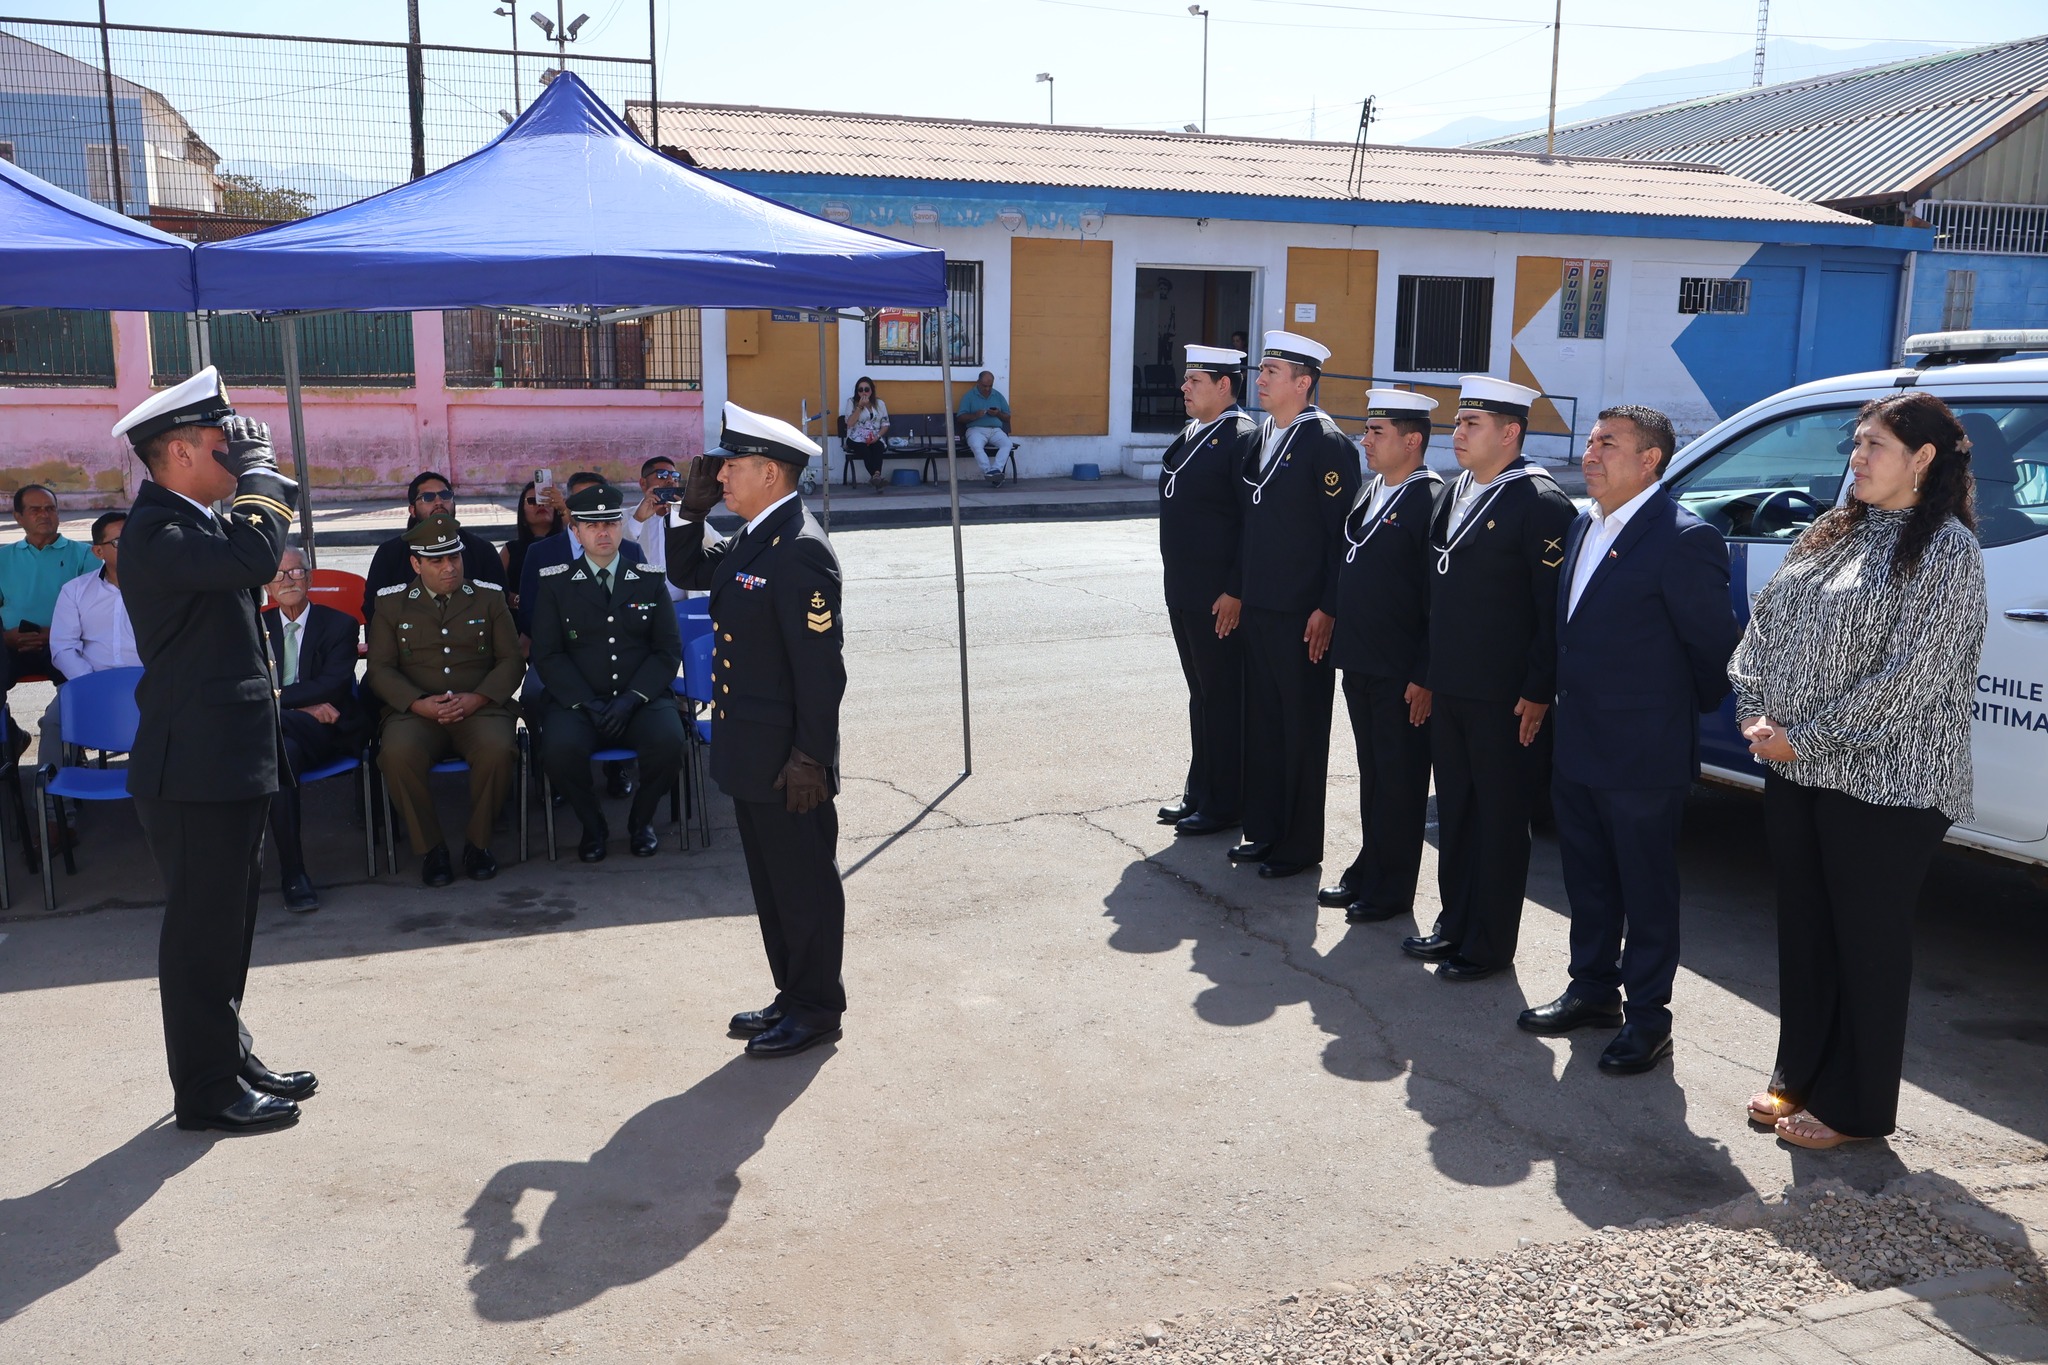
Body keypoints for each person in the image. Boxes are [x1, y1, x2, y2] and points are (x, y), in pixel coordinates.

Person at [1730, 391, 1985, 1150]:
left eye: (1875, 444)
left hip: (1892, 785)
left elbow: (1916, 677)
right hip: (1800, 772)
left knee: (1864, 943)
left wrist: (1802, 737)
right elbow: (1762, 629)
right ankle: (1798, 1075)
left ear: (1924, 458)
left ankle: (1857, 1105)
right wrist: (1754, 711)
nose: (1858, 458)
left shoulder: (1947, 549)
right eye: (1858, 444)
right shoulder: (1830, 531)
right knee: (1807, 934)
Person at [113, 365, 314, 1135]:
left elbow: (248, 547)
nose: (233, 450)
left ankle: (229, 1055)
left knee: (229, 923)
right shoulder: (158, 531)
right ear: (179, 451)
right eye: (220, 439)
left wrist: (256, 477)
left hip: (226, 757)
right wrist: (260, 472)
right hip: (192, 766)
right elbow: (256, 558)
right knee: (200, 933)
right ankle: (203, 1088)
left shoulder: (192, 520)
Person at [1518, 406, 1739, 1074]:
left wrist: (1669, 713)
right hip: (1579, 739)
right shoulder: (1584, 523)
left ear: (1651, 460)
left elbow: (1713, 648)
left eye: (1607, 443)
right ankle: (1592, 991)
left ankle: (1648, 1019)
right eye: (1589, 440)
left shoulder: (1683, 538)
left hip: (1645, 750)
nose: (1590, 451)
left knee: (1644, 890)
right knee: (1586, 878)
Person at [667, 401, 847, 1059]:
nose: (720, 477)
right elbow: (693, 571)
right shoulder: (755, 535)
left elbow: (822, 674)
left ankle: (818, 1006)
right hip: (751, 751)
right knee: (773, 886)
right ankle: (791, 992)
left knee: (803, 885)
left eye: (733, 466)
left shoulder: (799, 551)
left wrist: (812, 758)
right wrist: (689, 516)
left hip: (785, 761)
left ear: (771, 473)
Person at [1402, 375, 1576, 981]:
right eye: (1457, 423)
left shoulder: (1540, 502)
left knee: (1500, 821)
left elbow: (1549, 608)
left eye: (1471, 425)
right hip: (1450, 686)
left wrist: (1536, 690)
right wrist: (1425, 673)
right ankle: (1455, 922)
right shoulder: (1454, 493)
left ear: (1510, 433)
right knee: (1456, 811)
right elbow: (1433, 599)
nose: (1458, 433)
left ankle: (1488, 943)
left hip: (1504, 697)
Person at [1228, 331, 1359, 880]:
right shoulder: (1262, 435)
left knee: (1300, 729)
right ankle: (1265, 828)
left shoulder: (1327, 444)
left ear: (1303, 383)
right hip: (1260, 605)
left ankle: (1300, 844)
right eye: (1261, 370)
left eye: (1271, 372)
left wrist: (1328, 607)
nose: (1259, 380)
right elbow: (1249, 525)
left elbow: (1339, 538)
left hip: (1302, 614)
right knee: (1262, 723)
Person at [1322, 390, 1444, 922]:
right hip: (1363, 660)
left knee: (1400, 780)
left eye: (1377, 432)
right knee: (1374, 774)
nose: (1364, 441)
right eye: (1366, 430)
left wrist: (1425, 673)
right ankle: (1371, 866)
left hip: (1401, 669)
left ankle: (1392, 888)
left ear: (1411, 440)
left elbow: (1438, 600)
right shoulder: (1376, 489)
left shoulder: (1430, 499)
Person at [368, 513, 523, 888]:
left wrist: (479, 697)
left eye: (454, 557)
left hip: (479, 706)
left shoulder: (488, 597)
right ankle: (432, 848)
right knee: (396, 754)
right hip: (417, 711)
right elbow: (380, 670)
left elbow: (511, 660)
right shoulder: (392, 606)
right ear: (416, 564)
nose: (449, 567)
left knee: (500, 749)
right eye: (436, 561)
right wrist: (418, 703)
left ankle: (477, 843)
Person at [533, 482, 685, 861]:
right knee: (557, 749)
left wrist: (632, 699)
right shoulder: (555, 584)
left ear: (620, 526)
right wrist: (586, 703)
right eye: (592, 524)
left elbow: (667, 651)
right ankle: (593, 825)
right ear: (576, 530)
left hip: (640, 700)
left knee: (669, 742)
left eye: (611, 523)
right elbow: (548, 655)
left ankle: (641, 821)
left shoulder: (649, 580)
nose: (604, 532)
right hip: (580, 703)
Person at [1155, 344, 1258, 838]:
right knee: (1201, 695)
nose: (1184, 388)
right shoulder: (1196, 431)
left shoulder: (1240, 437)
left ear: (1224, 385)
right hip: (1185, 591)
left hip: (1219, 597)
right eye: (1186, 379)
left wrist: (1236, 589)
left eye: (1195, 380)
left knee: (1222, 697)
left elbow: (1250, 523)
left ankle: (1225, 802)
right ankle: (1201, 789)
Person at [263, 547, 372, 914]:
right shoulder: (255, 628)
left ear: (309, 579)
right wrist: (297, 708)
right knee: (282, 753)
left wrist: (271, 705)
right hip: (288, 736)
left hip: (330, 732)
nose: (288, 581)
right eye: (278, 575)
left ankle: (292, 874)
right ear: (267, 587)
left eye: (295, 573)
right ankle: (294, 873)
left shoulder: (339, 624)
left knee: (260, 727)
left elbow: (331, 687)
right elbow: (244, 686)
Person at [0, 482, 95, 756]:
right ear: (18, 516)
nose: (44, 515)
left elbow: (97, 607)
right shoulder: (3, 558)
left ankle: (70, 748)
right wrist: (5, 637)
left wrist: (56, 634)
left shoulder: (85, 555)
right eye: (35, 509)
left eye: (50, 508)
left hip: (65, 644)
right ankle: (11, 737)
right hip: (10, 644)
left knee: (78, 686)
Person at [39, 511, 140, 766]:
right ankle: (53, 804)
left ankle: (168, 798)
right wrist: (92, 684)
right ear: (98, 552)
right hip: (89, 680)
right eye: (119, 542)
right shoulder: (75, 591)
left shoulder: (163, 589)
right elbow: (63, 648)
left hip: (148, 683)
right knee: (53, 721)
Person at [362, 471, 506, 624]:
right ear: (412, 510)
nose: (439, 502)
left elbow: (499, 609)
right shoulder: (389, 554)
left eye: (445, 495)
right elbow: (375, 611)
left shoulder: (482, 550)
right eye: (428, 497)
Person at [516, 470, 645, 639]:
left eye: (598, 501)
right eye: (584, 500)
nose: (592, 507)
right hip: (559, 654)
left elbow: (647, 609)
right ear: (568, 505)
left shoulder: (631, 551)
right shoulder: (540, 552)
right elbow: (529, 614)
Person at [621, 455, 688, 601]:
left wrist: (688, 517)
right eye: (662, 475)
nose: (670, 480)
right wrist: (638, 519)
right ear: (643, 483)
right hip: (640, 603)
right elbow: (616, 552)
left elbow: (716, 547)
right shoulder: (625, 517)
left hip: (684, 605)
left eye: (675, 476)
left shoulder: (687, 516)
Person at [501, 478, 563, 617]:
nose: (540, 505)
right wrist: (518, 601)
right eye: (532, 501)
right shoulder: (510, 550)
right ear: (522, 513)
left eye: (546, 500)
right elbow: (495, 586)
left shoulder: (571, 544)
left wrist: (564, 508)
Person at [956, 371, 1016, 487]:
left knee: (1007, 444)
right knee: (976, 445)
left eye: (990, 386)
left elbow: (1007, 417)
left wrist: (997, 414)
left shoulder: (997, 395)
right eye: (984, 386)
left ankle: (995, 470)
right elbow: (960, 417)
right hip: (975, 429)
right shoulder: (969, 396)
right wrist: (975, 416)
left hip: (995, 430)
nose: (987, 389)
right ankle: (989, 472)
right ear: (978, 383)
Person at [844, 377, 892, 491]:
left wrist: (878, 437)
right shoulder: (851, 402)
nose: (864, 392)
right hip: (855, 438)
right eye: (860, 390)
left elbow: (885, 424)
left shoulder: (879, 404)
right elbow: (850, 423)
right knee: (865, 450)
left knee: (878, 447)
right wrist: (860, 407)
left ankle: (876, 477)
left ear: (871, 391)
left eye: (866, 389)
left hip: (874, 436)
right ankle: (877, 478)